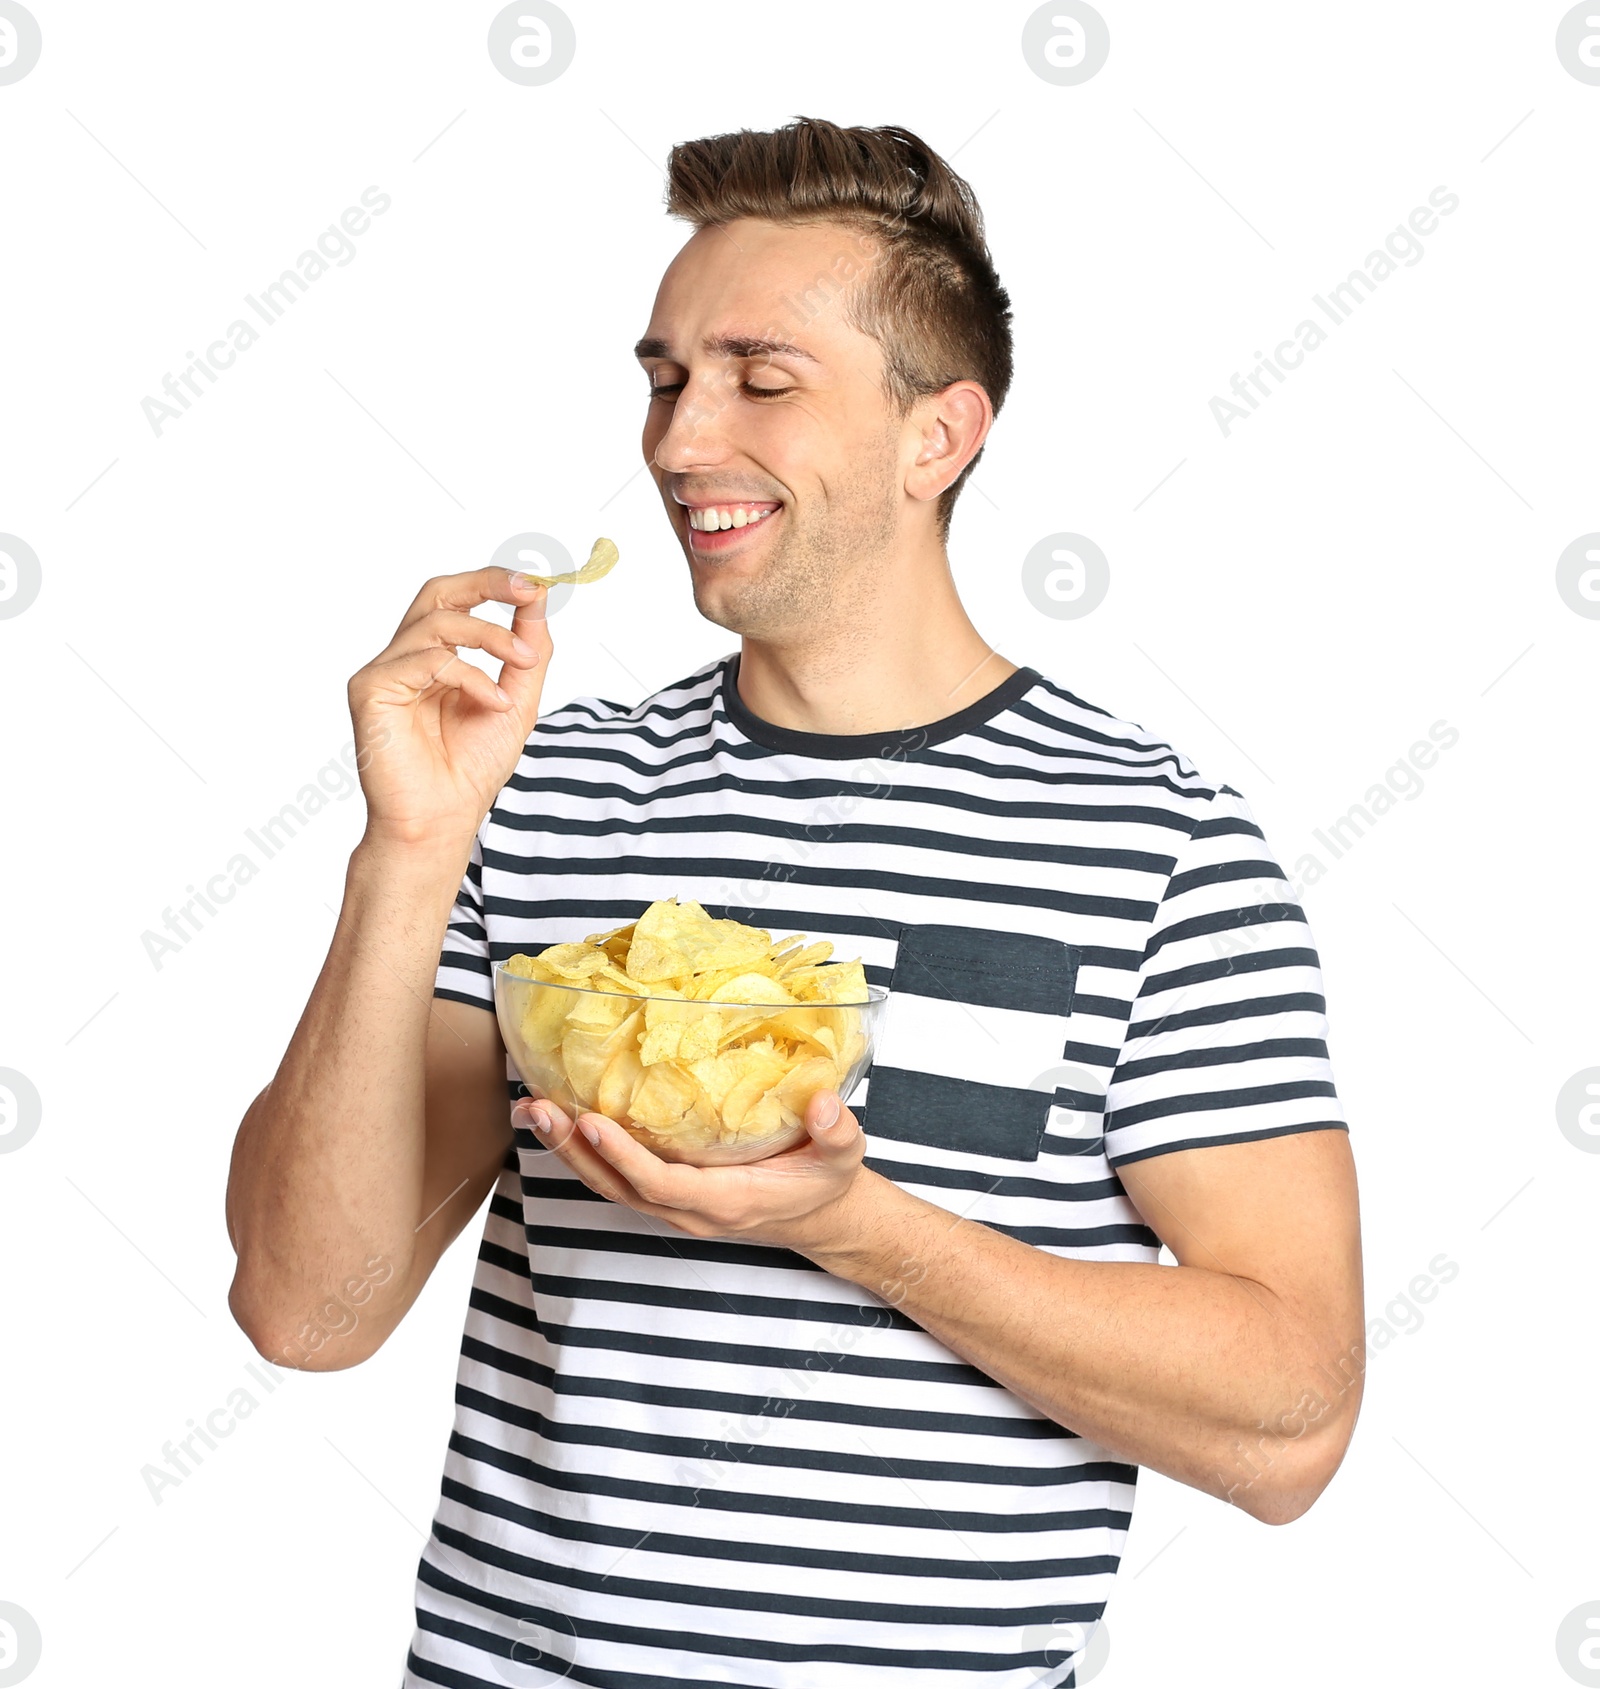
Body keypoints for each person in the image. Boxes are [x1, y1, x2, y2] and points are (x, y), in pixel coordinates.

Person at [225, 116, 1363, 1689]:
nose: (683, 440)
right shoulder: (538, 793)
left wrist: (859, 1225)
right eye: (667, 378)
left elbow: (1293, 1427)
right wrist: (408, 851)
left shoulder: (1158, 848)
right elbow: (307, 1306)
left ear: (937, 436)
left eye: (762, 380)